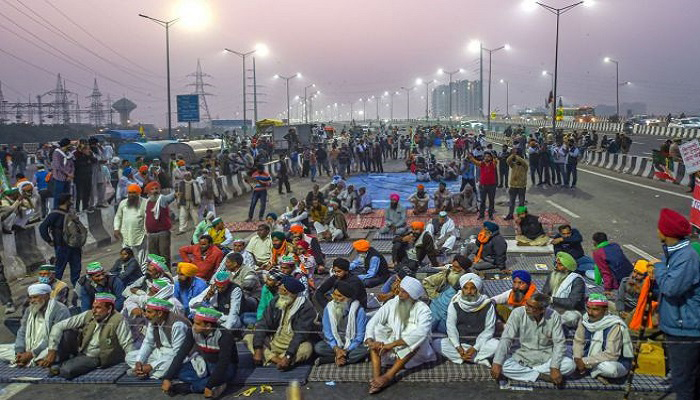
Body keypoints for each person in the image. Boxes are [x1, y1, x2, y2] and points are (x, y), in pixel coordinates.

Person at [651, 208, 700, 400]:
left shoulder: (685, 257)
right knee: (690, 380)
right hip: (682, 326)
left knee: (683, 383)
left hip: (686, 331)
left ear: (665, 232)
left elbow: (672, 288)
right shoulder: (675, 253)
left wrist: (659, 267)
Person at [364, 276, 436, 394]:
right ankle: (377, 376)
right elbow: (373, 321)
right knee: (376, 331)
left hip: (412, 352)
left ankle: (388, 376)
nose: (399, 294)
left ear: (412, 295)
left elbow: (421, 333)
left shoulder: (423, 309)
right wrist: (371, 341)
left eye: (404, 292)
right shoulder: (393, 302)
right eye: (400, 290)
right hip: (390, 347)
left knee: (414, 339)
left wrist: (392, 345)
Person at [40, 293, 133, 379]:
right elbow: (58, 326)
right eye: (93, 307)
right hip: (82, 350)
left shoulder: (118, 320)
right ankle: (65, 362)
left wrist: (133, 364)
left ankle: (62, 366)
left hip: (96, 356)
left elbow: (127, 343)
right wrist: (52, 350)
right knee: (66, 333)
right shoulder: (89, 314)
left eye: (98, 308)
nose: (94, 311)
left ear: (109, 309)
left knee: (67, 371)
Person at [492, 293, 574, 385]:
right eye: (527, 304)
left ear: (542, 310)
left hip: (546, 358)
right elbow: (506, 338)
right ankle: (540, 376)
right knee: (502, 365)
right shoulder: (518, 313)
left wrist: (554, 367)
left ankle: (528, 373)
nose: (526, 307)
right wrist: (497, 363)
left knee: (570, 365)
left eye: (531, 307)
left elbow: (559, 343)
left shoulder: (554, 316)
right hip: (522, 357)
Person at [162, 307, 237, 397]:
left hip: (226, 367)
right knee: (181, 372)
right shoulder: (193, 331)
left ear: (208, 326)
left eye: (197, 324)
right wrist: (168, 378)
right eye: (194, 322)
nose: (193, 326)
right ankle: (214, 384)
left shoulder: (224, 336)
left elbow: (223, 364)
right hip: (206, 363)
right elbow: (181, 354)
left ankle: (188, 388)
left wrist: (209, 385)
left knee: (222, 376)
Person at [245, 276, 316, 370]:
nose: (279, 292)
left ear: (291, 293)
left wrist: (288, 356)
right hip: (274, 341)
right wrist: (258, 349)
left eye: (283, 291)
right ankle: (277, 360)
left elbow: (300, 335)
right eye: (280, 289)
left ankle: (272, 359)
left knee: (307, 348)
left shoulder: (306, 308)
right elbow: (263, 323)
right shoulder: (276, 301)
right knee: (248, 337)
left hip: (293, 346)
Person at [432, 273, 499, 365]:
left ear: (478, 290)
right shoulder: (455, 303)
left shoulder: (487, 304)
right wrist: (457, 346)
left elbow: (489, 330)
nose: (469, 292)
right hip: (461, 343)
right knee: (437, 344)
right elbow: (451, 327)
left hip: (480, 343)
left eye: (473, 288)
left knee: (497, 345)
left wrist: (475, 348)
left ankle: (466, 357)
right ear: (462, 289)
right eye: (466, 288)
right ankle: (477, 359)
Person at [0, 284, 70, 367]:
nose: (32, 301)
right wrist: (19, 351)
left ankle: (29, 359)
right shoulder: (29, 309)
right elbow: (22, 331)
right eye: (30, 298)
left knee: (51, 352)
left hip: (51, 346)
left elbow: (53, 337)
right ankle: (25, 359)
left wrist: (31, 353)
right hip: (30, 346)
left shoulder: (60, 310)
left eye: (35, 297)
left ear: (46, 296)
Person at [572, 294, 634, 384]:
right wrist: (577, 359)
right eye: (588, 308)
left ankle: (592, 370)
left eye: (595, 309)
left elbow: (611, 354)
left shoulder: (614, 325)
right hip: (587, 357)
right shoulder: (585, 320)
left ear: (605, 311)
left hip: (612, 361)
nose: (590, 312)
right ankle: (592, 370)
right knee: (568, 363)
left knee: (611, 370)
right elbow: (578, 341)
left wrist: (585, 361)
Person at [125, 298, 191, 380]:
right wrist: (139, 361)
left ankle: (147, 372)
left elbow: (178, 354)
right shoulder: (153, 321)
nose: (145, 315)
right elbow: (148, 343)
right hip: (160, 352)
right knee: (129, 357)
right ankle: (144, 370)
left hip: (178, 355)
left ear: (159, 313)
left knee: (169, 365)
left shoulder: (177, 325)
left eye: (149, 312)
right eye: (146, 311)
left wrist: (151, 366)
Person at [316, 281, 369, 366]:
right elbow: (327, 332)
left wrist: (347, 350)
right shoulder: (329, 308)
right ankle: (347, 358)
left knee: (367, 348)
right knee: (319, 347)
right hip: (337, 341)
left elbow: (359, 336)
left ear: (349, 299)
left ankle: (332, 359)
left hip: (353, 342)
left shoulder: (359, 311)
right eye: (335, 295)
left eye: (340, 296)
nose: (335, 299)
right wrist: (336, 348)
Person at [39, 193, 83, 286]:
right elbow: (42, 227)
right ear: (66, 201)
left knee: (74, 268)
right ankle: (54, 289)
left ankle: (77, 288)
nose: (71, 202)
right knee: (60, 270)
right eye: (69, 200)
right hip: (63, 246)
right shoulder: (55, 214)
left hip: (73, 246)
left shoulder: (69, 213)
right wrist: (49, 240)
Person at [423, 255, 470, 333]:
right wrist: (434, 296)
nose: (454, 269)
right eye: (453, 266)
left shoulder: (470, 281)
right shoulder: (447, 274)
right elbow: (427, 282)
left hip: (451, 315)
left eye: (457, 268)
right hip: (438, 309)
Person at [542, 252, 586, 328]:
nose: (556, 266)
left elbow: (572, 303)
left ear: (567, 267)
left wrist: (551, 300)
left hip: (571, 311)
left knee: (570, 318)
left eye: (560, 264)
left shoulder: (577, 281)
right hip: (553, 308)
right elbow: (545, 294)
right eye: (556, 263)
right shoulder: (552, 275)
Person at [113, 184, 148, 267]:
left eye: (134, 193)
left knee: (142, 258)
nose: (131, 195)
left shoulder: (145, 203)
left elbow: (147, 218)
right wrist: (116, 228)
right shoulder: (123, 203)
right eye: (130, 193)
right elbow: (118, 216)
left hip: (140, 234)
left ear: (139, 193)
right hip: (126, 234)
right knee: (126, 257)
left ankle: (143, 276)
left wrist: (147, 231)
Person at [145, 182, 176, 267]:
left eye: (156, 189)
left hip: (163, 233)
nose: (155, 191)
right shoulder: (146, 202)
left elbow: (172, 196)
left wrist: (176, 192)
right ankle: (157, 276)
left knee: (164, 256)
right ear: (148, 192)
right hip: (151, 234)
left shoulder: (162, 199)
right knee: (154, 257)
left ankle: (166, 275)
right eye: (152, 189)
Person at [468, 151, 497, 220]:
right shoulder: (482, 164)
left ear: (491, 158)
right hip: (483, 186)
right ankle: (481, 215)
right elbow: (475, 162)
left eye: (488, 156)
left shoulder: (493, 164)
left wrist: (493, 157)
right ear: (483, 157)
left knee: (491, 201)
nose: (486, 157)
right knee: (482, 201)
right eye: (485, 156)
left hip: (492, 186)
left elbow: (496, 160)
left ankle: (490, 215)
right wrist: (471, 157)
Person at [504, 150, 528, 220]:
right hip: (513, 186)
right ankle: (510, 214)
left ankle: (521, 216)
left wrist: (517, 156)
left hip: (522, 186)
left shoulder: (524, 165)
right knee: (511, 202)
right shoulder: (513, 165)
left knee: (521, 203)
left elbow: (523, 162)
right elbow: (508, 161)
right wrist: (512, 155)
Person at [51, 138, 74, 208]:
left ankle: (65, 210)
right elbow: (58, 166)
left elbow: (72, 165)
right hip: (59, 178)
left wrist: (71, 174)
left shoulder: (69, 154)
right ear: (66, 145)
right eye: (69, 145)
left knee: (67, 195)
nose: (71, 146)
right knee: (58, 196)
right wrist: (68, 174)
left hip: (68, 178)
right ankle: (56, 210)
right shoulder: (57, 153)